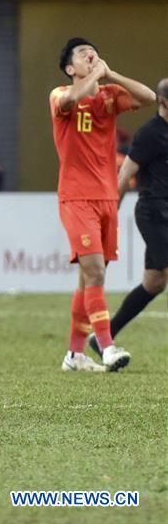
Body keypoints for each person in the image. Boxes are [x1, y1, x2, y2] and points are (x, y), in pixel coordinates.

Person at [50, 37, 156, 372]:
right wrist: (94, 77)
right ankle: (107, 347)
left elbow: (150, 97)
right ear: (70, 68)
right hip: (76, 197)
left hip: (107, 198)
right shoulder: (59, 94)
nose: (89, 55)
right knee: (94, 270)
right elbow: (71, 98)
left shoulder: (109, 96)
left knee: (88, 277)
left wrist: (113, 76)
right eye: (82, 54)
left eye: (91, 51)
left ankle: (74, 354)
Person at [87, 77, 168, 358]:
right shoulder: (150, 134)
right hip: (154, 212)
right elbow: (124, 176)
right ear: (163, 102)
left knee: (155, 282)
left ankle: (103, 336)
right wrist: (109, 213)